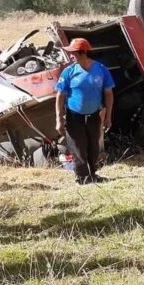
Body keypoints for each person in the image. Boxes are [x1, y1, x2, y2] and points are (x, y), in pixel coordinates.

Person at [55, 38, 115, 185]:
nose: (71, 56)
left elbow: (108, 93)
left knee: (94, 146)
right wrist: (59, 119)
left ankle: (92, 174)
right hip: (74, 116)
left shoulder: (101, 69)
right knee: (78, 148)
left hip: (94, 115)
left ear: (82, 52)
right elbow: (60, 96)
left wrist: (108, 117)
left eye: (73, 53)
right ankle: (82, 177)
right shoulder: (69, 72)